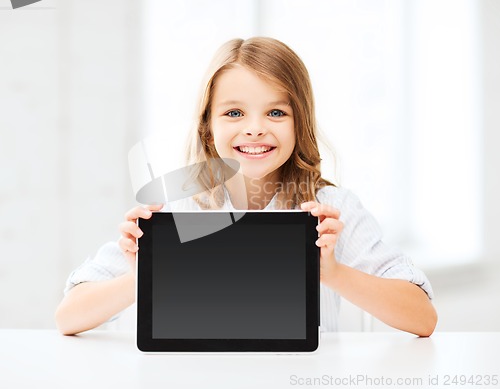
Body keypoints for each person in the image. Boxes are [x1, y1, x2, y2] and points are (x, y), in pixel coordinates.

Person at [55, 37, 437, 337]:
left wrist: (333, 273)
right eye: (234, 112)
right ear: (208, 126)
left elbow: (423, 318)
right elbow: (69, 316)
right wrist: (144, 275)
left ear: (299, 123)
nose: (254, 128)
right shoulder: (173, 207)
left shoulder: (329, 208)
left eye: (276, 112)